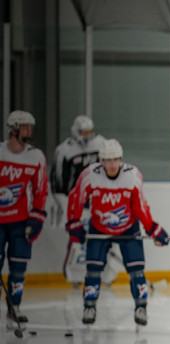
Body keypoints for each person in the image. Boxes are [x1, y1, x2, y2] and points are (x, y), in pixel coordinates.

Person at [65, 138, 169, 326]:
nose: (111, 165)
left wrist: (153, 228)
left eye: (114, 160)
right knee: (93, 270)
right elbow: (76, 197)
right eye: (107, 160)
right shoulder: (90, 175)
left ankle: (141, 307)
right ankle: (89, 306)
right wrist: (74, 222)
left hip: (128, 227)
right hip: (99, 227)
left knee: (137, 270)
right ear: (101, 161)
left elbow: (140, 207)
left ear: (120, 159)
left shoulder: (132, 176)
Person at [51, 115, 123, 286]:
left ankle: (106, 273)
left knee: (105, 237)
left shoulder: (101, 144)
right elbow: (58, 180)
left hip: (99, 200)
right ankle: (75, 274)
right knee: (78, 239)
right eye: (84, 132)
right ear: (76, 132)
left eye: (90, 132)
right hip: (76, 201)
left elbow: (113, 170)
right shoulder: (65, 150)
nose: (88, 136)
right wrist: (65, 203)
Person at [0, 111, 48, 327]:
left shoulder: (36, 156)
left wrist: (36, 218)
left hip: (20, 221)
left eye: (31, 126)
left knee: (18, 267)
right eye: (25, 127)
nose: (30, 131)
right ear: (14, 128)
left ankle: (14, 306)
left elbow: (40, 190)